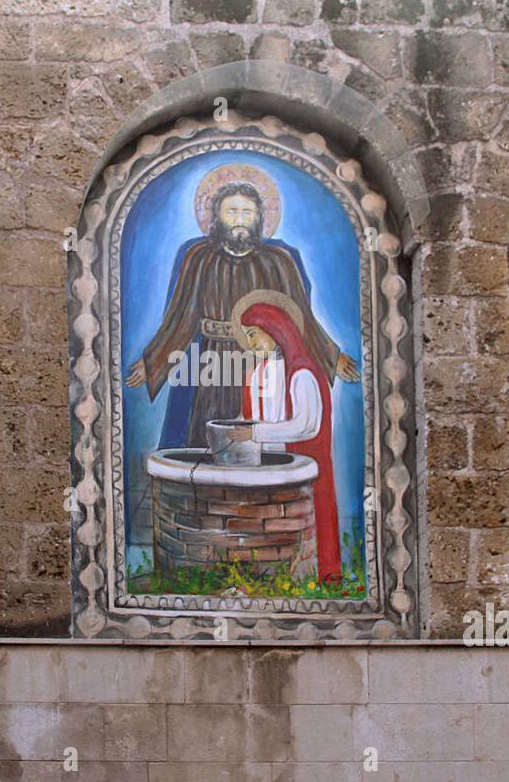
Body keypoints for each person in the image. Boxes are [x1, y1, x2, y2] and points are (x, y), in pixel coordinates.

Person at [125, 165, 358, 448]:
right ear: (217, 217)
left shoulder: (279, 260)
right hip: (211, 361)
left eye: (247, 213)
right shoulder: (199, 258)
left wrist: (331, 356)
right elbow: (181, 315)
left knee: (258, 429)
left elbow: (300, 316)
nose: (240, 220)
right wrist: (154, 361)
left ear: (259, 218)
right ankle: (209, 489)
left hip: (263, 360)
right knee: (208, 432)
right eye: (231, 211)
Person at [226, 289, 341, 583]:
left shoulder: (302, 372)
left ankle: (319, 577)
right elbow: (251, 415)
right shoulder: (256, 374)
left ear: (275, 330)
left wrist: (255, 433)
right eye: (247, 336)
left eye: (254, 334)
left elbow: (306, 425)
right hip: (269, 469)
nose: (251, 343)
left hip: (302, 469)